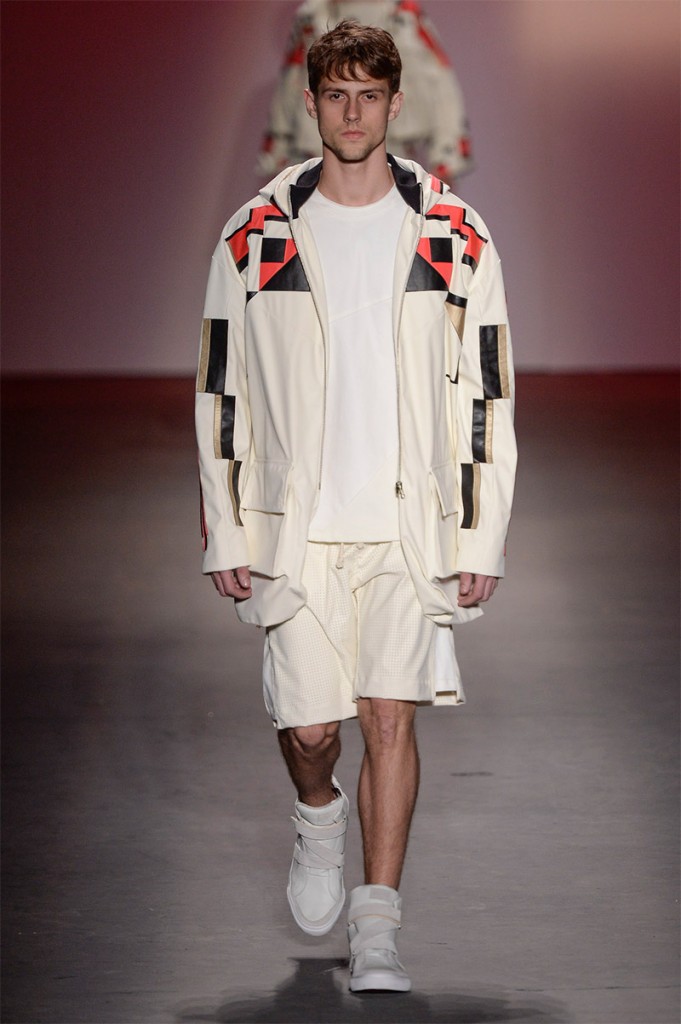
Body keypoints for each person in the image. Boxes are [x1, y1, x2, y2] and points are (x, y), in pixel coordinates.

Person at [195, 19, 516, 993]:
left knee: (387, 718)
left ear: (393, 103)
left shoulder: (453, 231)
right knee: (310, 732)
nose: (351, 112)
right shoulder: (256, 232)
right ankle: (316, 813)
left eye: (368, 95)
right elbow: (221, 385)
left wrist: (482, 532)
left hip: (407, 523)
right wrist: (226, 521)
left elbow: (486, 389)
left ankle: (378, 926)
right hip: (297, 524)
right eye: (335, 94)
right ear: (311, 103)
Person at [257, 0, 474, 188]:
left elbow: (440, 86)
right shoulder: (313, 15)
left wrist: (446, 158)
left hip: (391, 153)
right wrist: (278, 158)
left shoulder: (402, 14)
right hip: (317, 156)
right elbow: (290, 84)